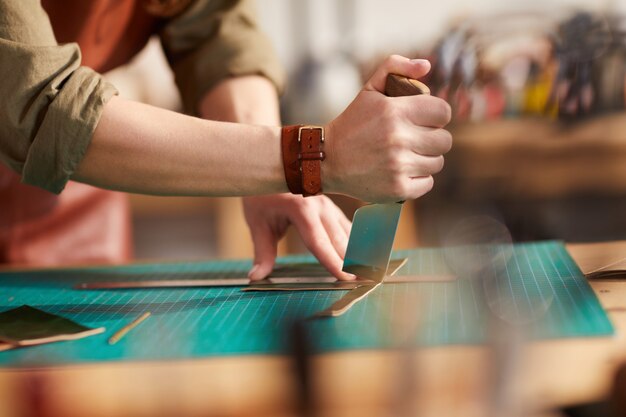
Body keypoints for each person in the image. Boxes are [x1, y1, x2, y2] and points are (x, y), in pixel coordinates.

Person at [0, 0, 452, 280]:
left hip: (69, 192)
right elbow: (38, 103)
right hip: (63, 147)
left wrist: (265, 163)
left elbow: (216, 25)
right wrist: (308, 155)